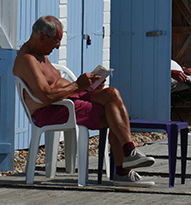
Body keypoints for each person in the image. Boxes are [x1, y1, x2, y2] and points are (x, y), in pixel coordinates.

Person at [14, 16, 156, 187]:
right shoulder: (28, 59)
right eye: (56, 42)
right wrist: (76, 85)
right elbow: (47, 97)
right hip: (53, 110)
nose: (58, 46)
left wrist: (89, 86)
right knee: (113, 114)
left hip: (70, 99)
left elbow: (56, 88)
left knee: (112, 94)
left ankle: (129, 153)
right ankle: (123, 169)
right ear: (42, 37)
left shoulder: (40, 53)